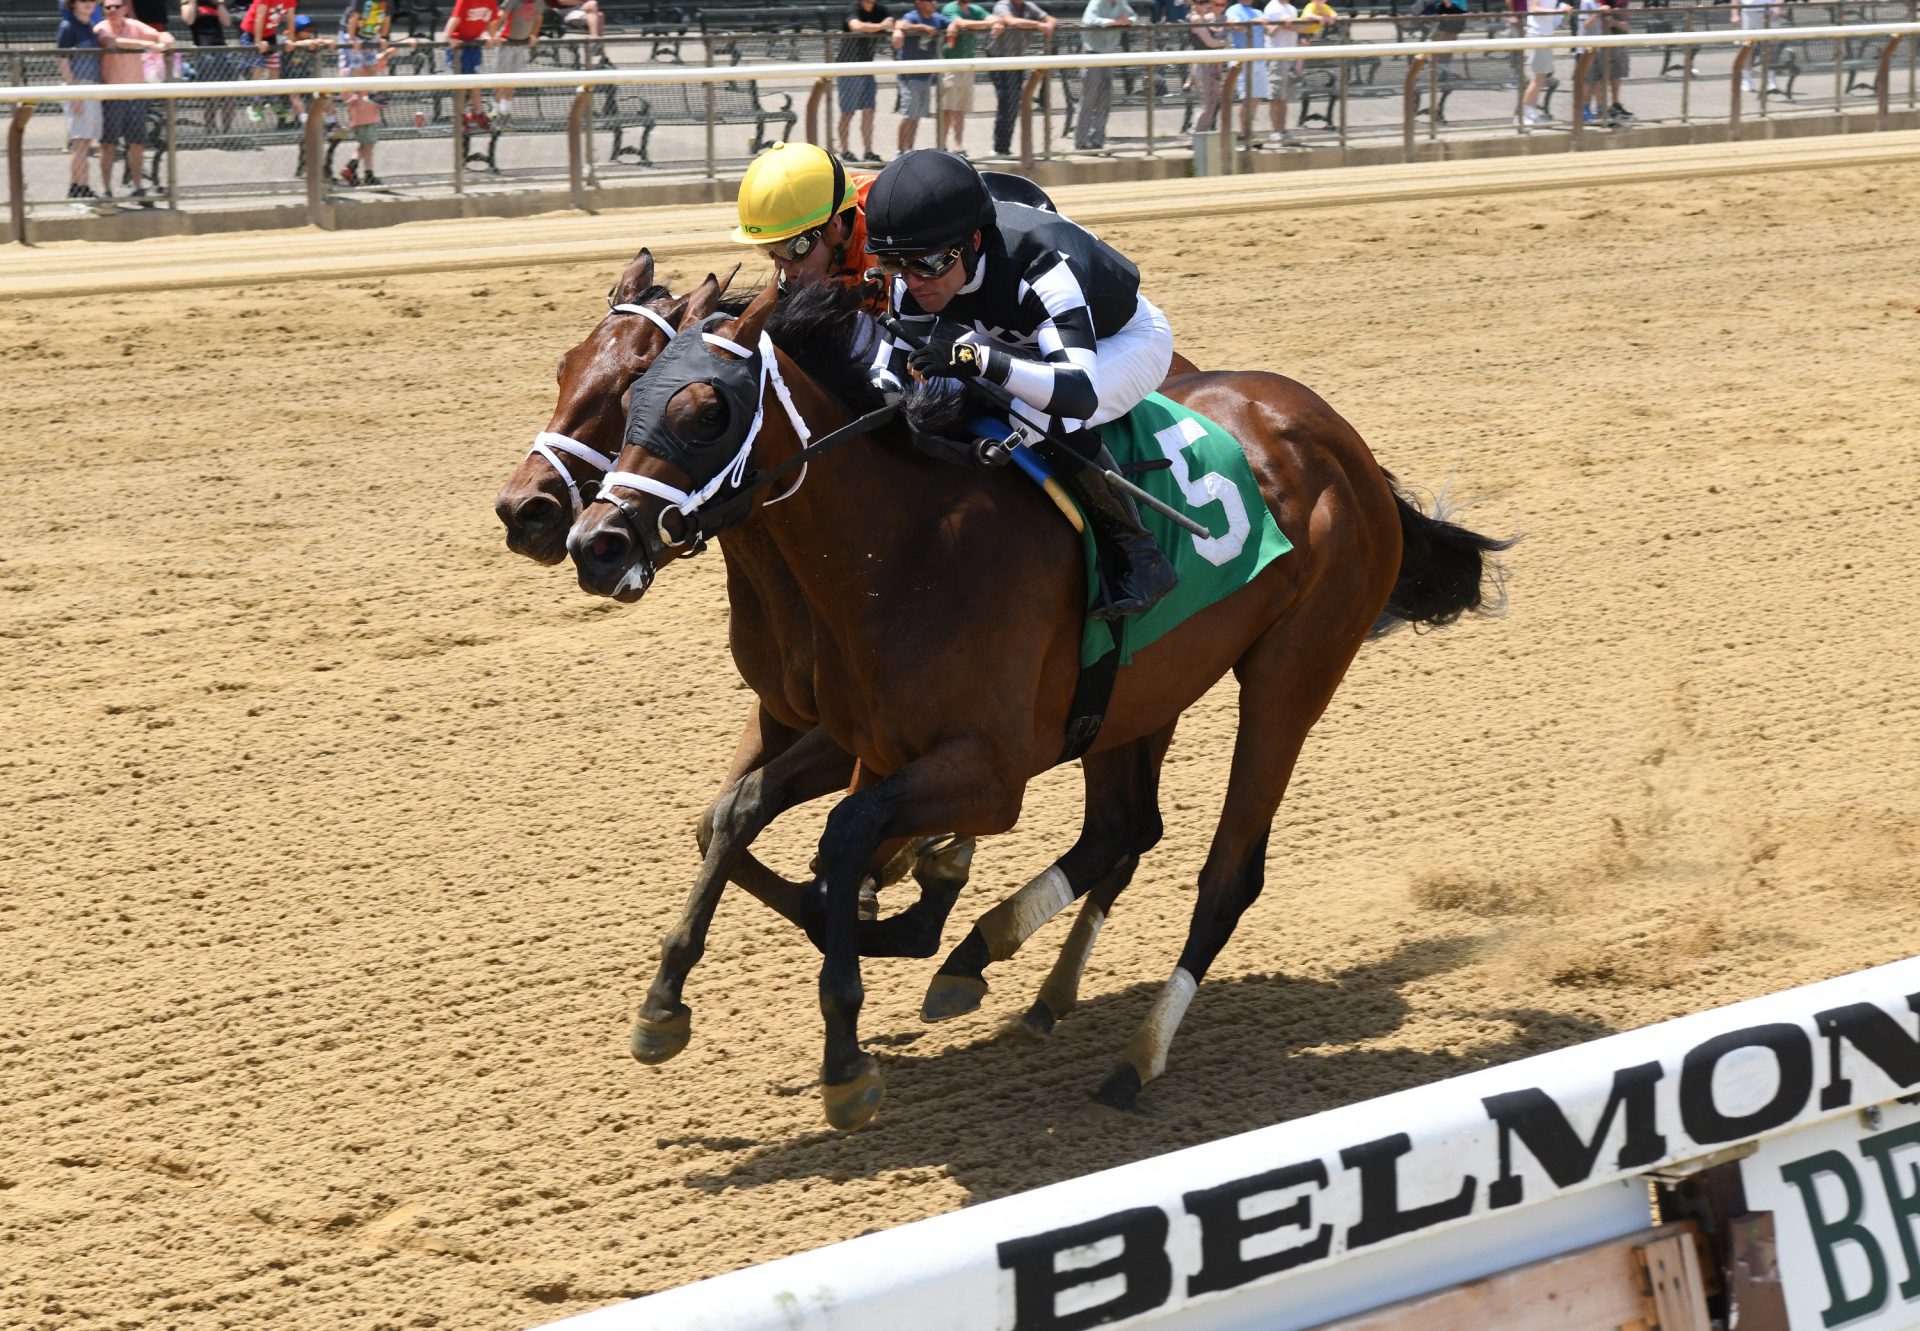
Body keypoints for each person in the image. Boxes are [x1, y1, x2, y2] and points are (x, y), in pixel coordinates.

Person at [864, 150, 1178, 619]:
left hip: (1122, 342)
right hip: (1023, 341)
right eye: (895, 263)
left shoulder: (1041, 265)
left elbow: (1076, 393)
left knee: (1031, 415)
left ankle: (1139, 553)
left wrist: (982, 360)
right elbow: (889, 374)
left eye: (928, 263)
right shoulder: (917, 275)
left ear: (972, 241)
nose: (913, 281)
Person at [731, 142, 887, 351]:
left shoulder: (895, 240)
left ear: (833, 228)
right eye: (769, 248)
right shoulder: (808, 249)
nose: (779, 263)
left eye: (789, 248)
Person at [94, 0, 172, 204]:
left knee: (136, 144)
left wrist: (165, 40)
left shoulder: (135, 26)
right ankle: (106, 190)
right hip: (112, 97)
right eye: (107, 7)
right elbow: (111, 41)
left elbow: (161, 35)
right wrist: (146, 44)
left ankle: (138, 188)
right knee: (108, 145)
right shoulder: (101, 27)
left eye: (116, 6)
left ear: (126, 8)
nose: (112, 10)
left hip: (136, 96)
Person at [985, 0, 1052, 157]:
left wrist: (1048, 24)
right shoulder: (1003, 5)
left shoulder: (1028, 6)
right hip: (999, 60)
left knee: (1013, 103)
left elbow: (1050, 19)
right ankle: (999, 147)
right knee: (1006, 101)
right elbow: (1011, 21)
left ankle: (1004, 147)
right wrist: (1038, 25)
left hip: (1017, 59)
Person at [58, 0, 106, 209]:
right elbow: (63, 60)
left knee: (85, 141)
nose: (88, 4)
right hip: (78, 86)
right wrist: (74, 94)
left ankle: (81, 185)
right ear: (73, 4)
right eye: (83, 1)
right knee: (79, 141)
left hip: (91, 87)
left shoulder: (90, 27)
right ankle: (76, 187)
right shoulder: (68, 27)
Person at [836, 0, 892, 163]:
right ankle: (844, 151)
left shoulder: (879, 9)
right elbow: (856, 26)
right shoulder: (854, 8)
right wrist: (880, 26)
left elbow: (892, 23)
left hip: (867, 67)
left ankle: (868, 151)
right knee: (847, 112)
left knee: (869, 110)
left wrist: (894, 29)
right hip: (849, 67)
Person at [1075, 0, 1134, 151]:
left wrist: (1127, 21)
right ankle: (1081, 142)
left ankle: (1098, 141)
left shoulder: (1121, 3)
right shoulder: (1097, 3)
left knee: (1105, 101)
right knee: (1088, 100)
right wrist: (1113, 22)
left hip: (1108, 56)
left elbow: (1133, 16)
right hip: (1092, 55)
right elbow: (1090, 20)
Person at [891, 0, 949, 154]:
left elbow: (952, 23)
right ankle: (899, 151)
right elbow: (900, 25)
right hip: (909, 76)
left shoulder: (937, 18)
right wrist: (922, 27)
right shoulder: (912, 16)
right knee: (909, 114)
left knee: (916, 116)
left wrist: (955, 26)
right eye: (929, 1)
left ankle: (909, 150)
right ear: (920, 3)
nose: (934, 3)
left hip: (926, 76)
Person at [936, 0, 991, 153]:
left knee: (960, 108)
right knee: (948, 108)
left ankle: (958, 145)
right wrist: (980, 24)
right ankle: (941, 145)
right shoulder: (950, 8)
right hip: (950, 65)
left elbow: (991, 19)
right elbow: (959, 22)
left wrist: (977, 24)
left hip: (967, 65)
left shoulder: (974, 8)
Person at [442, 0, 500, 130]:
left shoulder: (491, 2)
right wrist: (448, 37)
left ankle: (478, 113)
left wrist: (490, 36)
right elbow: (454, 19)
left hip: (474, 45)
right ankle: (459, 116)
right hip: (459, 47)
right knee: (461, 85)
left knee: (476, 83)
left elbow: (492, 20)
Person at [1260, 0, 1308, 145]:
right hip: (1276, 57)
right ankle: (1276, 131)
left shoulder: (1291, 8)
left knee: (1283, 97)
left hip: (1289, 56)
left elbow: (1293, 26)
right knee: (1276, 96)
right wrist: (1307, 23)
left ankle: (1282, 131)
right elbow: (1291, 26)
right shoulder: (1274, 6)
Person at [1221, 0, 1267, 147]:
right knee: (1247, 98)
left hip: (1259, 59)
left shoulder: (1258, 12)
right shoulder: (1233, 9)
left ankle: (1249, 132)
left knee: (1256, 98)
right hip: (1242, 59)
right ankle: (1244, 134)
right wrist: (1253, 21)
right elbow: (1237, 26)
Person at [1516, 0, 1570, 124]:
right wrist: (1559, 11)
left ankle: (1530, 114)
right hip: (1537, 35)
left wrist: (1567, 13)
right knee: (1537, 79)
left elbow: (1563, 23)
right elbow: (1535, 9)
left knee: (1540, 78)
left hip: (1547, 36)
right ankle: (1525, 116)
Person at [491, 0, 539, 119]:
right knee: (501, 76)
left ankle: (507, 109)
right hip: (506, 43)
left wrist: (533, 34)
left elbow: (539, 17)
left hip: (521, 44)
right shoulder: (512, 1)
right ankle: (495, 109)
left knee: (514, 77)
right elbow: (500, 16)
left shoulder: (538, 2)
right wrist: (494, 35)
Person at [1186, 0, 1228, 132]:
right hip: (1202, 63)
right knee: (1206, 104)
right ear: (1196, 4)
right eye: (1203, 3)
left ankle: (1201, 133)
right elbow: (1210, 43)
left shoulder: (1204, 17)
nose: (1207, 6)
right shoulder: (1196, 18)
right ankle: (1195, 134)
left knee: (1212, 103)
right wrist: (1227, 43)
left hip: (1211, 64)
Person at [1599, 0, 1631, 119]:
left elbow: (1626, 24)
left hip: (1620, 40)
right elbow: (1605, 20)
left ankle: (1615, 104)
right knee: (1605, 75)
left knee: (1617, 74)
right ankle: (1603, 107)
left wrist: (1617, 22)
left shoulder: (1622, 4)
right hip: (1607, 39)